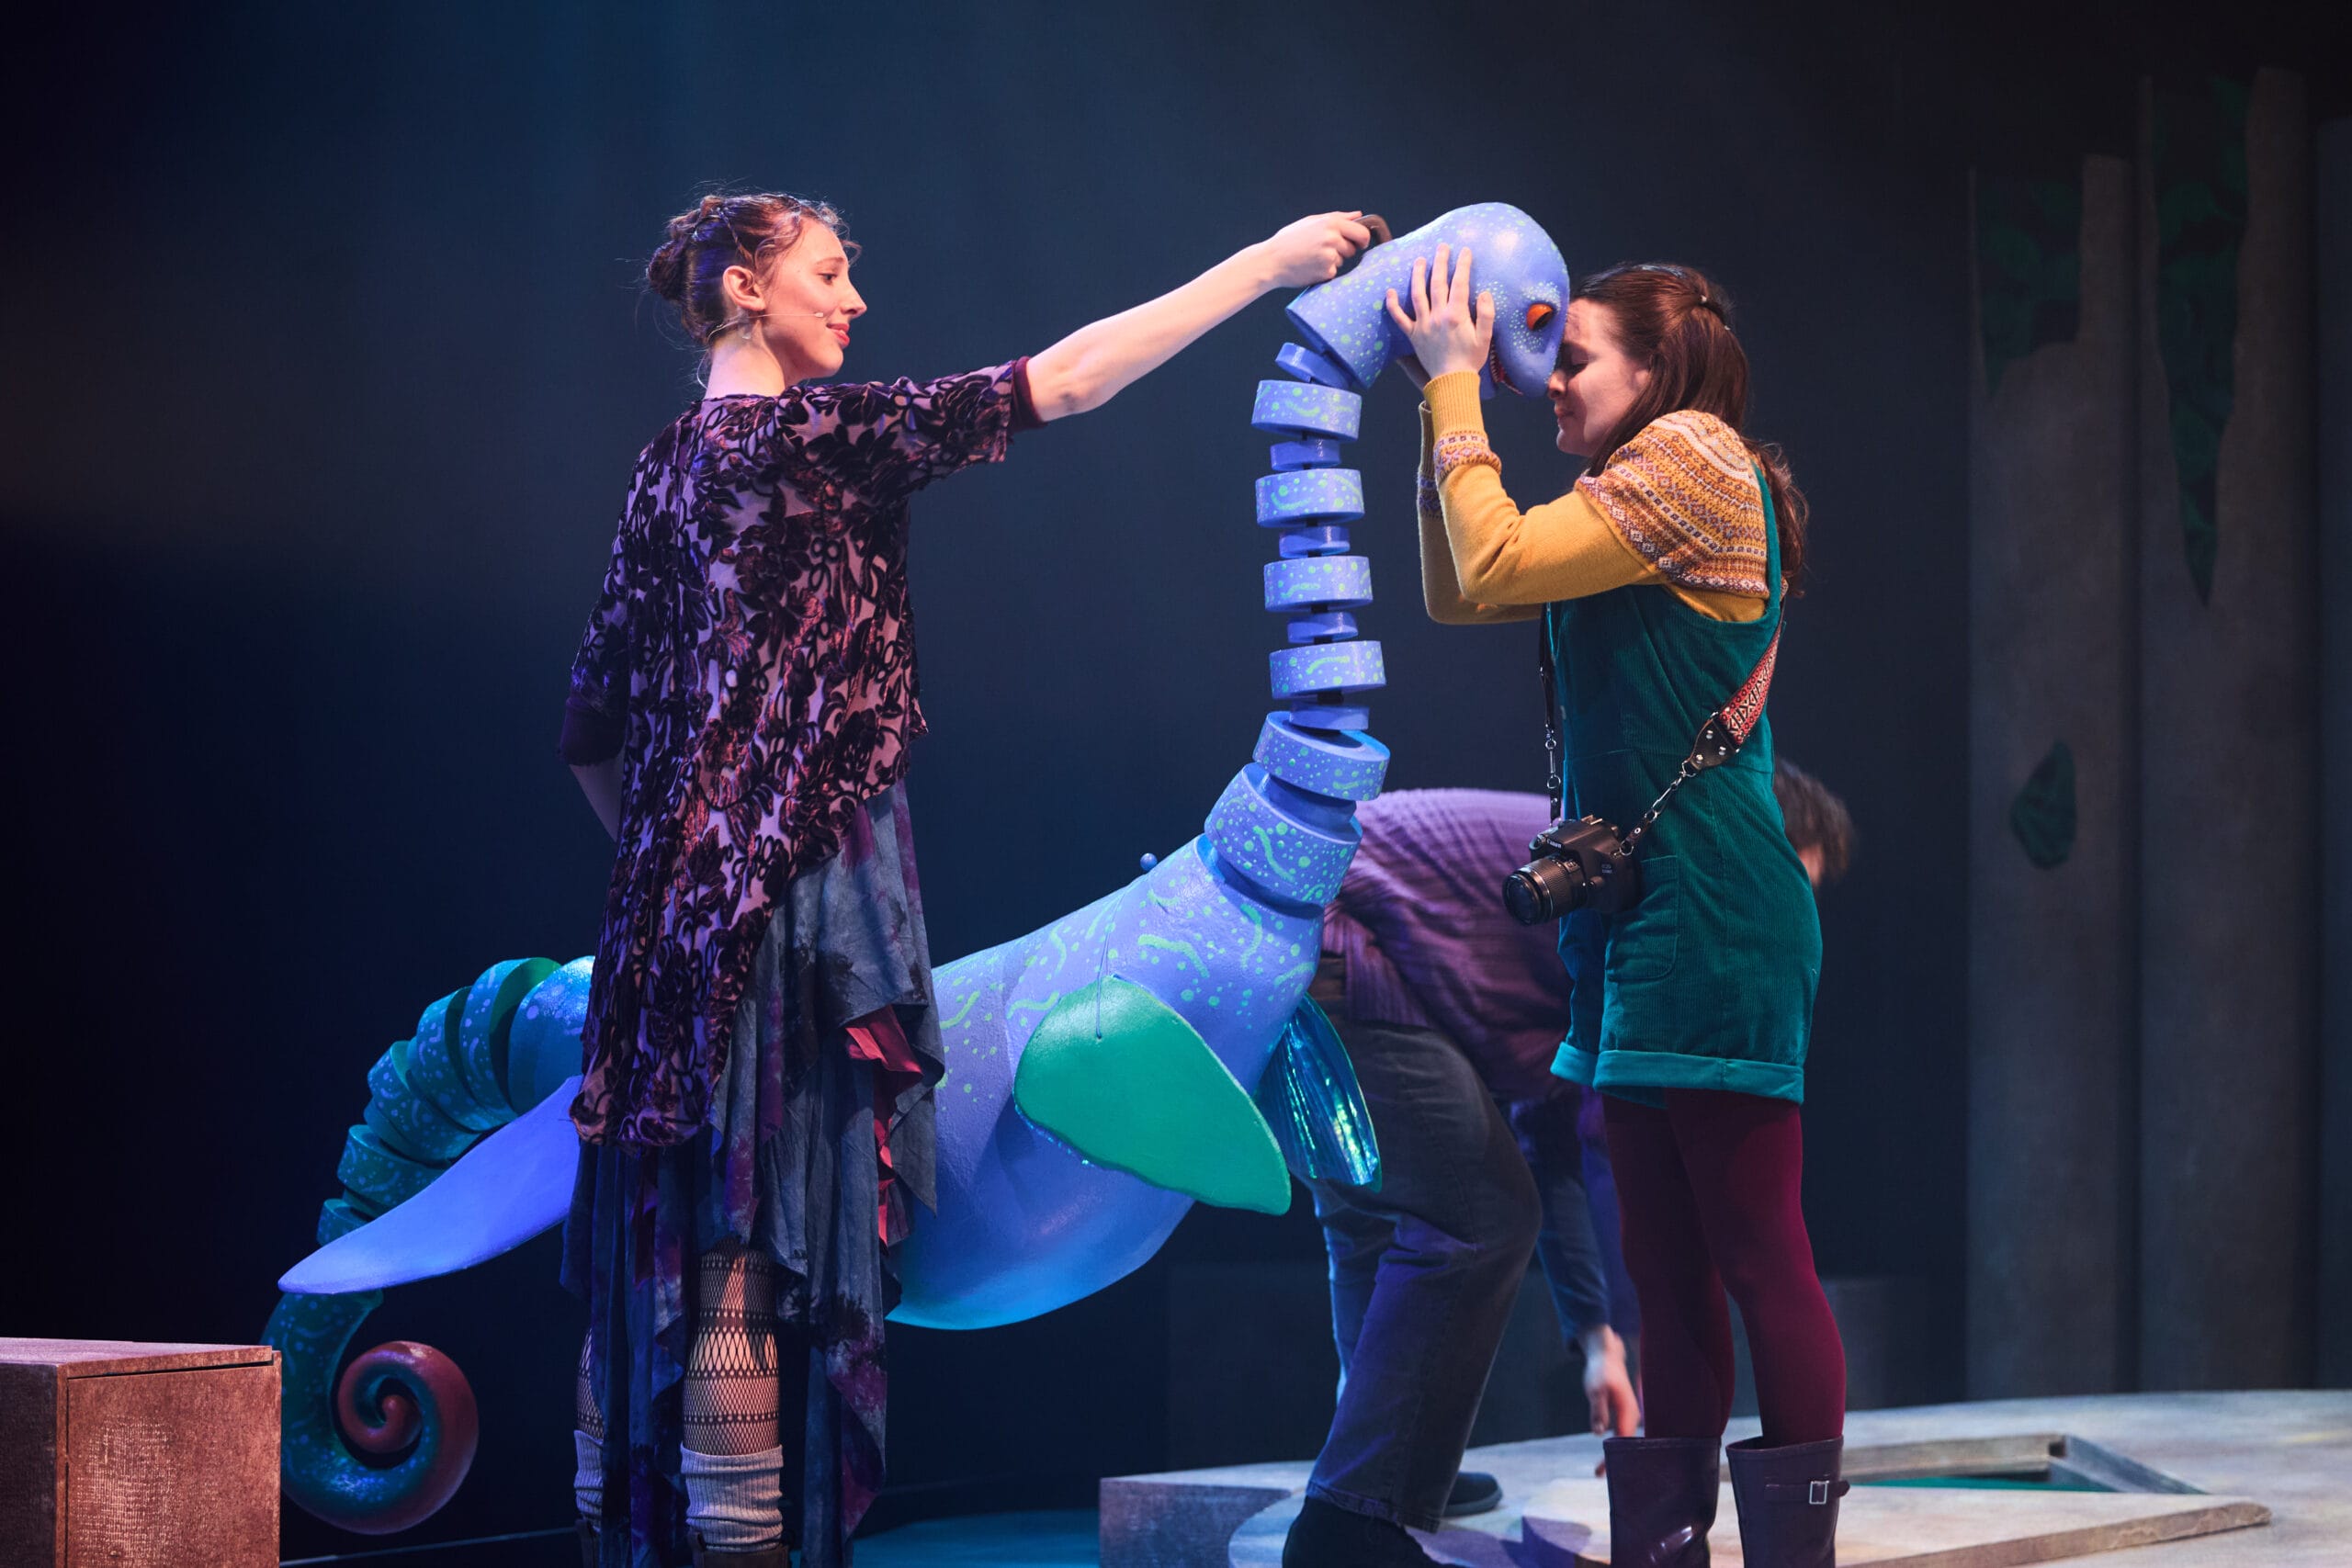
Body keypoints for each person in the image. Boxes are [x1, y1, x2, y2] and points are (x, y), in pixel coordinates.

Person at [558, 190, 1374, 1568]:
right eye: (829, 271)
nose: (854, 299)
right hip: (798, 909)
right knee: (746, 1261)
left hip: (663, 919)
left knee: (665, 1248)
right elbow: (1066, 379)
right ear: (747, 290)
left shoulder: (661, 469)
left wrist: (681, 860)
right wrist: (1271, 263)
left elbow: (590, 728)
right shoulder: (815, 440)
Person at [1390, 250, 1850, 1567]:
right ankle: (1665, 1550)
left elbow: (1496, 545)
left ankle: (1795, 1555)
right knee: (1666, 1272)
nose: (1555, 381)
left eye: (1577, 357)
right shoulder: (1629, 485)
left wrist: (1454, 386)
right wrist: (1445, 416)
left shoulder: (1697, 459)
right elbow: (1462, 582)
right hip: (1634, 926)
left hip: (1713, 921)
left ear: (1658, 373)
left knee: (1757, 1253)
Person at [1285, 788, 1642, 1568]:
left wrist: (1599, 1343)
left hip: (1305, 949)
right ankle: (1351, 1517)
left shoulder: (1618, 868)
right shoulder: (1641, 875)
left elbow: (1551, 1139)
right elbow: (1577, 1149)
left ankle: (1380, 1477)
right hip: (1333, 946)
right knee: (1481, 1213)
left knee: (1374, 1224)